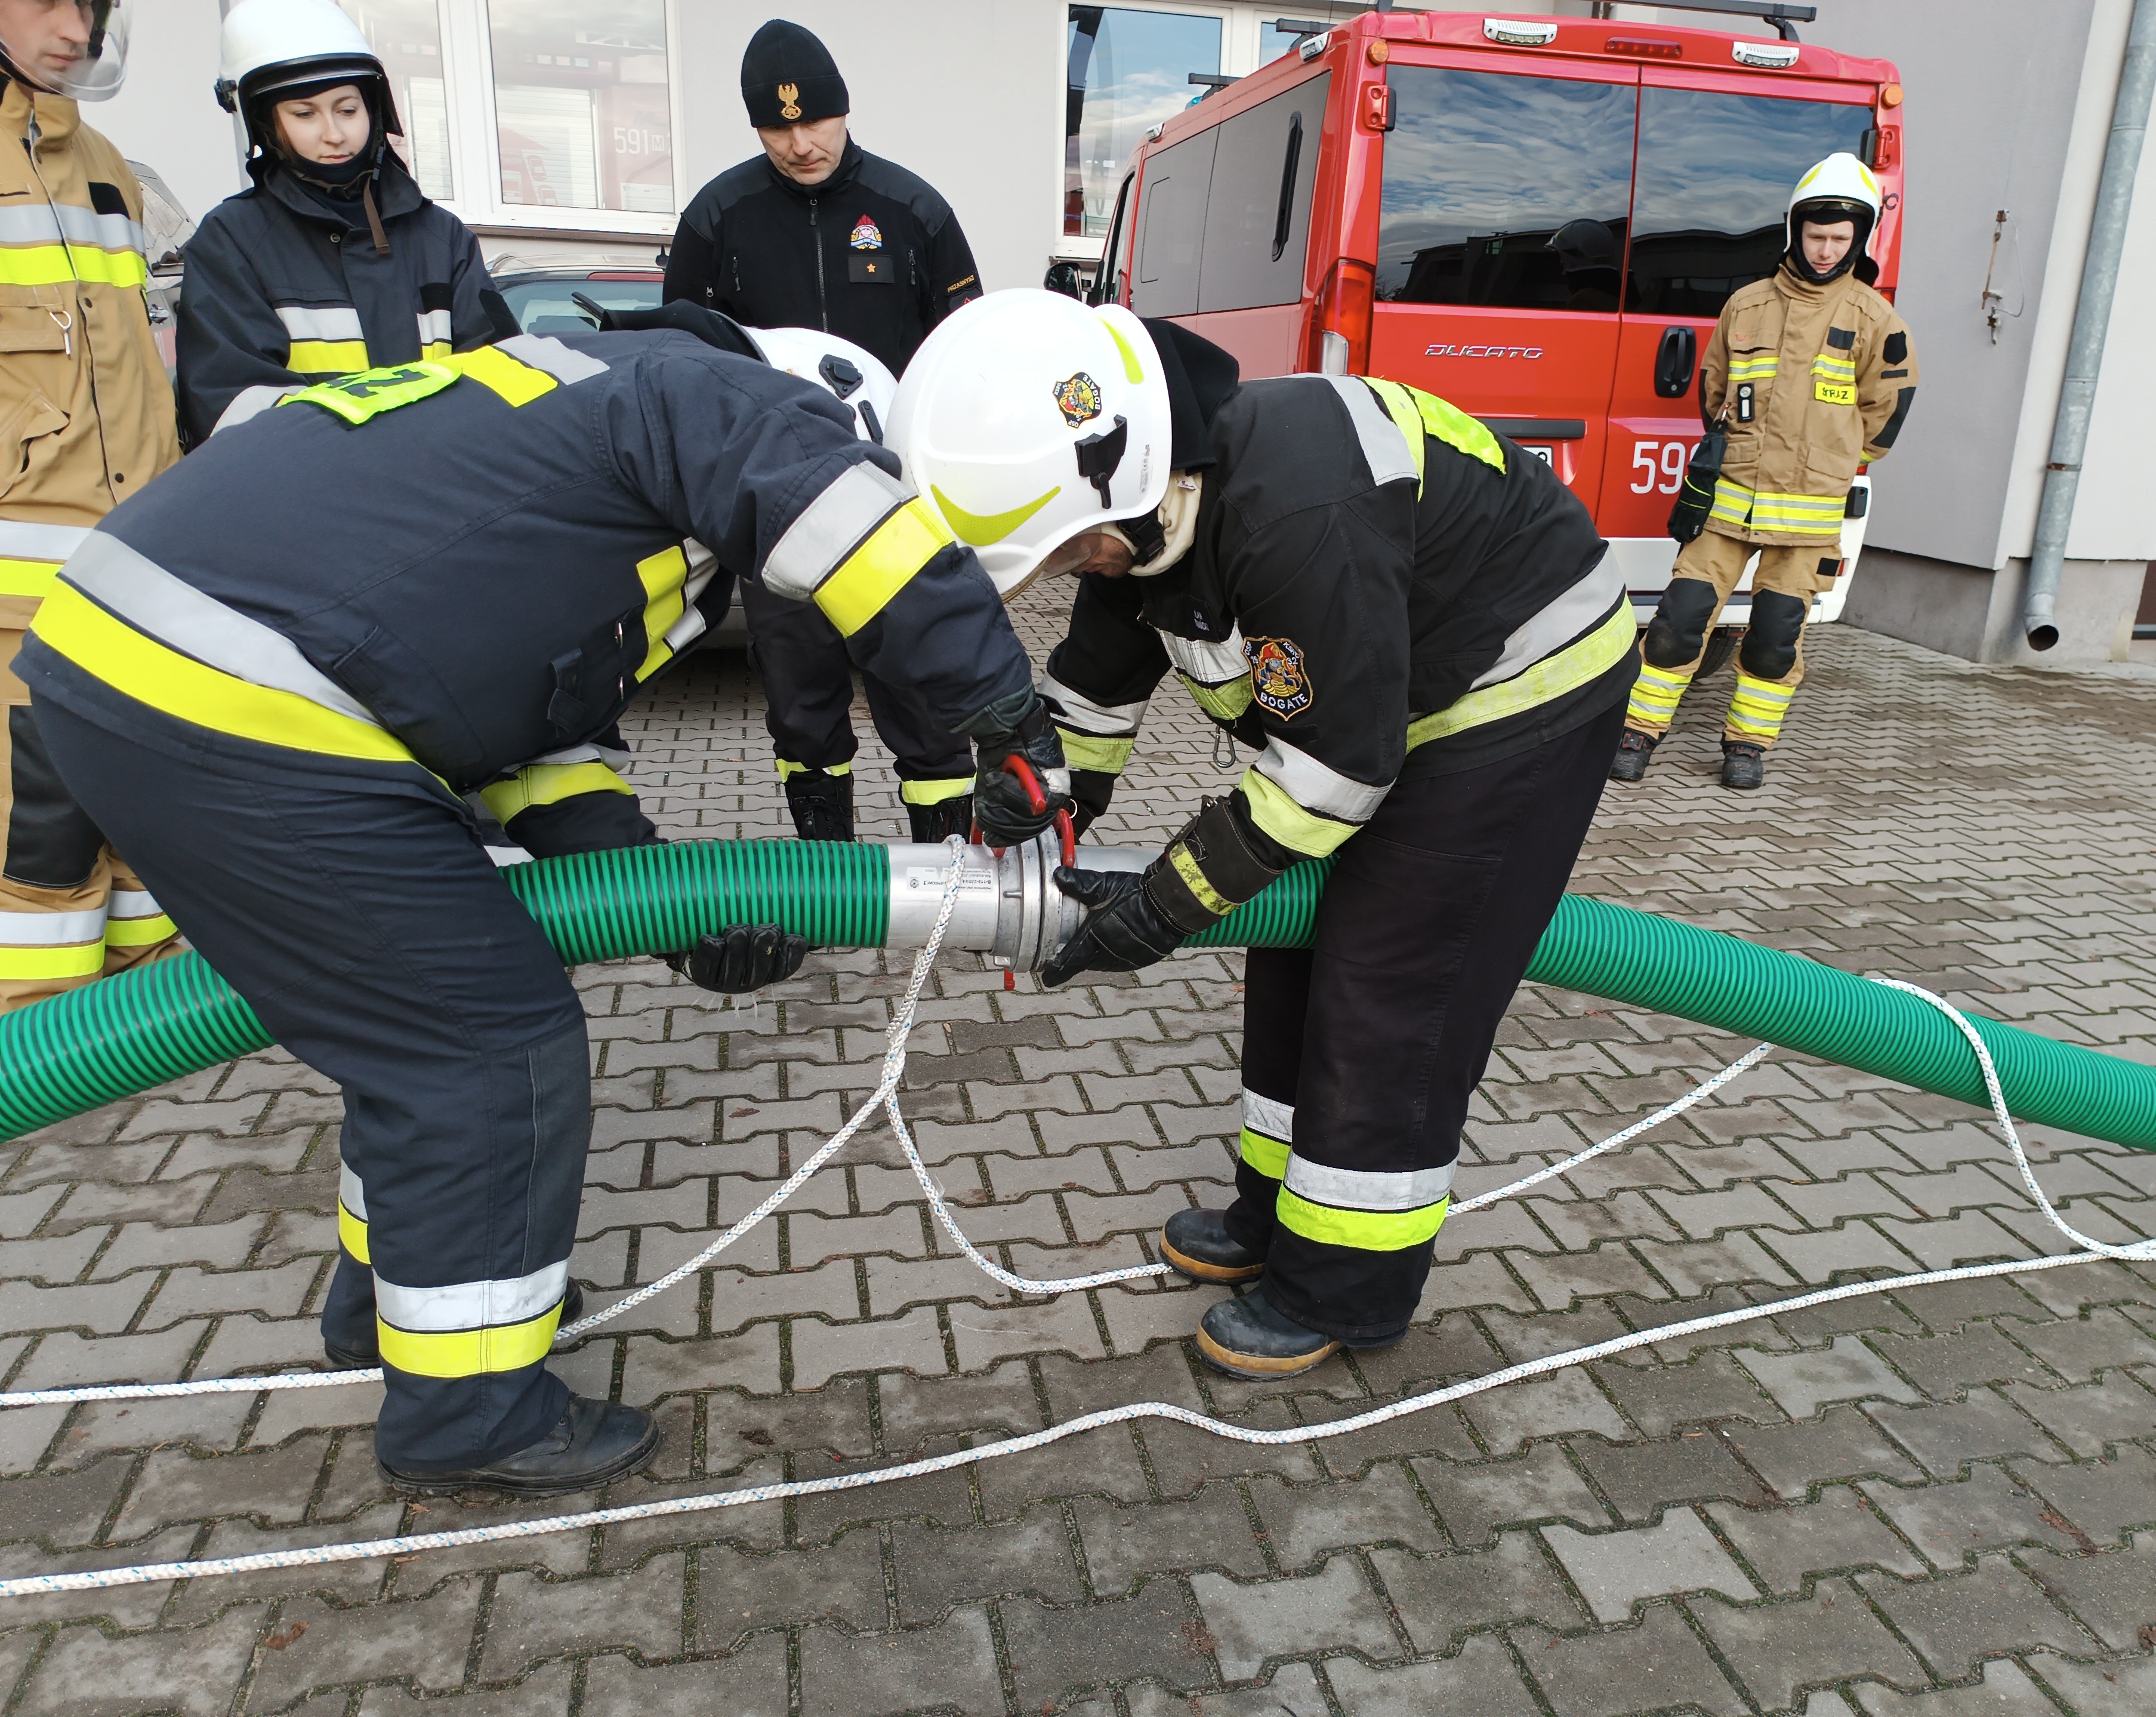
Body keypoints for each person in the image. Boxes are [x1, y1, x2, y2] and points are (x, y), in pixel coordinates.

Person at [17, 325, 1067, 1494]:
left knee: (404, 1023)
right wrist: (1001, 714)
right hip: (237, 698)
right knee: (482, 1044)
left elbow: (532, 737)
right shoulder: (710, 395)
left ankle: (403, 1300)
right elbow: (853, 524)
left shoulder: (565, 442)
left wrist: (669, 916)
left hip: (138, 666)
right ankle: (466, 1412)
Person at [891, 291, 1640, 1382]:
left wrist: (1162, 907)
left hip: (1515, 695)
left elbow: (1334, 775)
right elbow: (1096, 693)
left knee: (1391, 985)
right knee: (1292, 946)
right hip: (1377, 706)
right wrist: (1040, 801)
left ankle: (1343, 1288)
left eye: (1069, 552)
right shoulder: (1140, 516)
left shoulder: (1298, 513)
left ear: (1132, 488)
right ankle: (1274, 1214)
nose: (1071, 570)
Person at [665, 20, 985, 847]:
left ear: (845, 110)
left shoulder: (914, 211)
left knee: (922, 695)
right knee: (801, 703)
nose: (801, 143)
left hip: (897, 499)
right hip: (777, 503)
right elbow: (681, 367)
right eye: (777, 128)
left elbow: (966, 359)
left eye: (815, 120)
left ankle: (947, 874)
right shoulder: (717, 219)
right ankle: (826, 882)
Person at [1611, 153, 1917, 791]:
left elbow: (1885, 415)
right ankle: (1637, 733)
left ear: (1858, 240)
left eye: (1840, 239)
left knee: (1774, 639)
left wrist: (1829, 455)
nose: (1826, 250)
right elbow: (1713, 391)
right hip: (1730, 503)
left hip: (1807, 517)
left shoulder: (1875, 320)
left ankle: (1747, 746)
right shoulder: (1746, 306)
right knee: (1676, 624)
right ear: (1794, 231)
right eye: (1816, 235)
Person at [0, 0, 181, 1010]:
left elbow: (134, 377)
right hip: (13, 610)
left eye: (95, 4)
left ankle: (142, 1029)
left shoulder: (108, 167)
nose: (77, 28)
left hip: (124, 587)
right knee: (36, 849)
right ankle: (31, 1057)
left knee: (142, 820)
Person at [176, 0, 507, 445]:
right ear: (266, 124)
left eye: (348, 110)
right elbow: (233, 407)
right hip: (312, 488)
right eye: (305, 114)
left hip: (445, 480)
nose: (334, 134)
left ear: (374, 109)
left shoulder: (442, 238)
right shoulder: (231, 241)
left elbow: (501, 379)